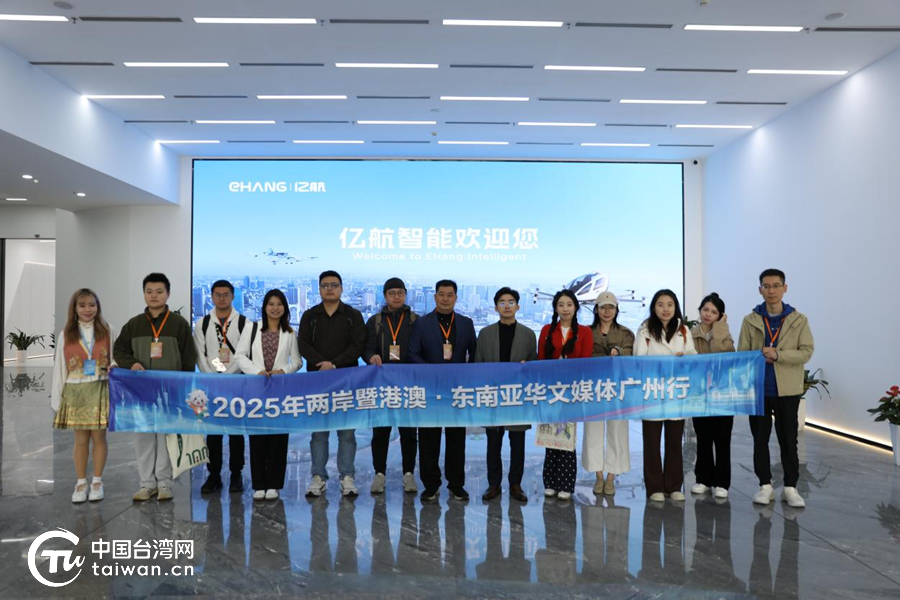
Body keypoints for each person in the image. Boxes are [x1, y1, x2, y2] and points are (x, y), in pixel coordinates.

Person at [114, 273, 197, 502]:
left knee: (166, 437)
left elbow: (189, 359)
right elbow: (119, 350)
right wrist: (131, 363)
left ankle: (164, 483)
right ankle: (146, 484)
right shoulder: (134, 324)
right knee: (143, 437)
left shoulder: (179, 324)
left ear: (167, 294)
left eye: (159, 291)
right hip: (140, 392)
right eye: (149, 291)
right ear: (144, 294)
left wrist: (183, 388)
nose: (154, 296)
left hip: (170, 392)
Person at [739, 268, 814, 508]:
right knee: (759, 440)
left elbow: (806, 352)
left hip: (788, 390)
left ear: (785, 288)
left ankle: (790, 487)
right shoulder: (750, 320)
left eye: (776, 285)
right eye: (766, 286)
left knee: (788, 439)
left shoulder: (798, 320)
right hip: (759, 390)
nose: (771, 291)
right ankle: (765, 486)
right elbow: (742, 354)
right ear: (760, 290)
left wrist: (779, 355)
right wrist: (759, 355)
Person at [298, 270, 366, 497]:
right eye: (325, 285)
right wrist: (323, 364)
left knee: (347, 433)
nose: (329, 289)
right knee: (319, 433)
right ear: (319, 289)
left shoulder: (353, 315)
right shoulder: (310, 316)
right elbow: (303, 345)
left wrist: (334, 364)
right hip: (317, 381)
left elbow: (358, 346)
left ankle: (347, 476)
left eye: (334, 285)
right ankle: (318, 476)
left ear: (341, 288)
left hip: (346, 381)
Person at [409, 279, 477, 502]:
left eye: (450, 295)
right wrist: (431, 372)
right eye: (441, 294)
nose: (445, 299)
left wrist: (467, 376)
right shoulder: (422, 323)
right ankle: (431, 485)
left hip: (457, 390)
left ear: (456, 298)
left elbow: (474, 353)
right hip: (430, 389)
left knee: (457, 440)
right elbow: (413, 353)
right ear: (435, 297)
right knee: (428, 439)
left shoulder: (466, 323)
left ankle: (456, 485)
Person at [235, 288, 302, 500]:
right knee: (257, 438)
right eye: (271, 304)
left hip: (279, 391)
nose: (275, 308)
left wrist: (284, 371)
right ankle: (258, 484)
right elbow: (239, 356)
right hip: (256, 389)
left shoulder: (290, 333)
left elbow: (297, 361)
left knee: (278, 439)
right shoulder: (252, 328)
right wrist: (257, 371)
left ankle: (274, 484)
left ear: (285, 308)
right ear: (264, 307)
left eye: (279, 304)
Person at [52, 288, 117, 503]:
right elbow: (60, 367)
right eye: (82, 305)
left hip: (100, 388)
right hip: (76, 390)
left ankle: (97, 481)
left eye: (92, 305)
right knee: (80, 440)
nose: (87, 309)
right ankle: (81, 482)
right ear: (75, 308)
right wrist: (58, 397)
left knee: (99, 438)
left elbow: (116, 358)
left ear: (98, 307)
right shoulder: (66, 334)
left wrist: (113, 368)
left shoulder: (108, 330)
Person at [475, 287, 537, 503]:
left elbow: (534, 365)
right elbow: (478, 364)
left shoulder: (528, 334)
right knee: (493, 443)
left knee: (517, 443)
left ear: (518, 306)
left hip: (517, 396)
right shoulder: (485, 334)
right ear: (496, 308)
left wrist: (527, 367)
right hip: (493, 395)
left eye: (511, 302)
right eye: (502, 302)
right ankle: (493, 484)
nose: (507, 306)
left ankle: (515, 484)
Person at [634, 289, 697, 503]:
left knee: (674, 443)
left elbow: (693, 357)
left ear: (675, 307)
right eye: (660, 305)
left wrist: (683, 357)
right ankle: (654, 487)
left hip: (675, 392)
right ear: (654, 307)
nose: (665, 309)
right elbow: (638, 360)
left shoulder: (683, 330)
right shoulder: (645, 330)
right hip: (652, 393)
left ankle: (673, 486)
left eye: (669, 304)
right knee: (652, 444)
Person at [362, 277, 419, 495]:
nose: (396, 296)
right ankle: (379, 474)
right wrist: (371, 356)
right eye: (392, 293)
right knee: (380, 432)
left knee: (409, 432)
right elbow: (366, 348)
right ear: (385, 296)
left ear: (405, 295)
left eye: (400, 293)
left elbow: (421, 349)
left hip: (408, 385)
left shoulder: (415, 320)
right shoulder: (375, 321)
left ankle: (408, 474)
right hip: (382, 385)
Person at [193, 279, 248, 495]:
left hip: (236, 384)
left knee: (236, 431)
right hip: (211, 385)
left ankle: (236, 473)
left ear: (233, 296)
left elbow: (243, 354)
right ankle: (213, 474)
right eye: (217, 294)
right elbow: (200, 354)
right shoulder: (203, 323)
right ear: (212, 297)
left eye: (226, 294)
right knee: (213, 432)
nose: (222, 298)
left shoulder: (243, 322)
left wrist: (228, 376)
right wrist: (213, 377)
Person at [538, 289, 593, 501]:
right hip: (550, 391)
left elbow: (585, 362)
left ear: (576, 307)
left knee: (567, 436)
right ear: (555, 308)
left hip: (572, 392)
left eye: (569, 305)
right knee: (550, 435)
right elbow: (541, 360)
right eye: (561, 305)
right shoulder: (546, 330)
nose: (565, 309)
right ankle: (550, 482)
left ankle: (566, 484)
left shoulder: (585, 332)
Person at [584, 291, 634, 497]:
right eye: (603, 307)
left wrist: (619, 352)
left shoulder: (625, 333)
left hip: (617, 388)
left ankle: (611, 477)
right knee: (592, 432)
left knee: (617, 432)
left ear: (616, 310)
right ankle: (598, 476)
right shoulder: (586, 332)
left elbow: (631, 353)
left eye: (611, 307)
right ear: (596, 310)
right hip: (593, 388)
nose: (607, 311)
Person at [690, 292, 736, 499]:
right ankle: (703, 478)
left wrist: (719, 328)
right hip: (699, 393)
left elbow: (722, 352)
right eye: (705, 309)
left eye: (714, 312)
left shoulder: (724, 334)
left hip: (723, 393)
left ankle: (722, 482)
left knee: (722, 439)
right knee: (703, 437)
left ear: (720, 316)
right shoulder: (690, 334)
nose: (708, 314)